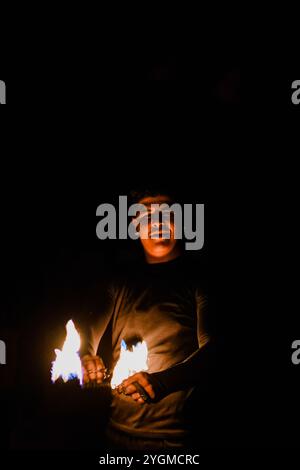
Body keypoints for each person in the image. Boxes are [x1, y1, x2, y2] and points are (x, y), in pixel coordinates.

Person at [81, 189, 212, 450]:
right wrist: (86, 356)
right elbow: (88, 329)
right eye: (147, 215)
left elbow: (214, 350)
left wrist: (163, 382)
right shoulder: (121, 281)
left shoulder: (199, 280)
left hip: (177, 439)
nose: (157, 224)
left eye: (167, 213)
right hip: (116, 434)